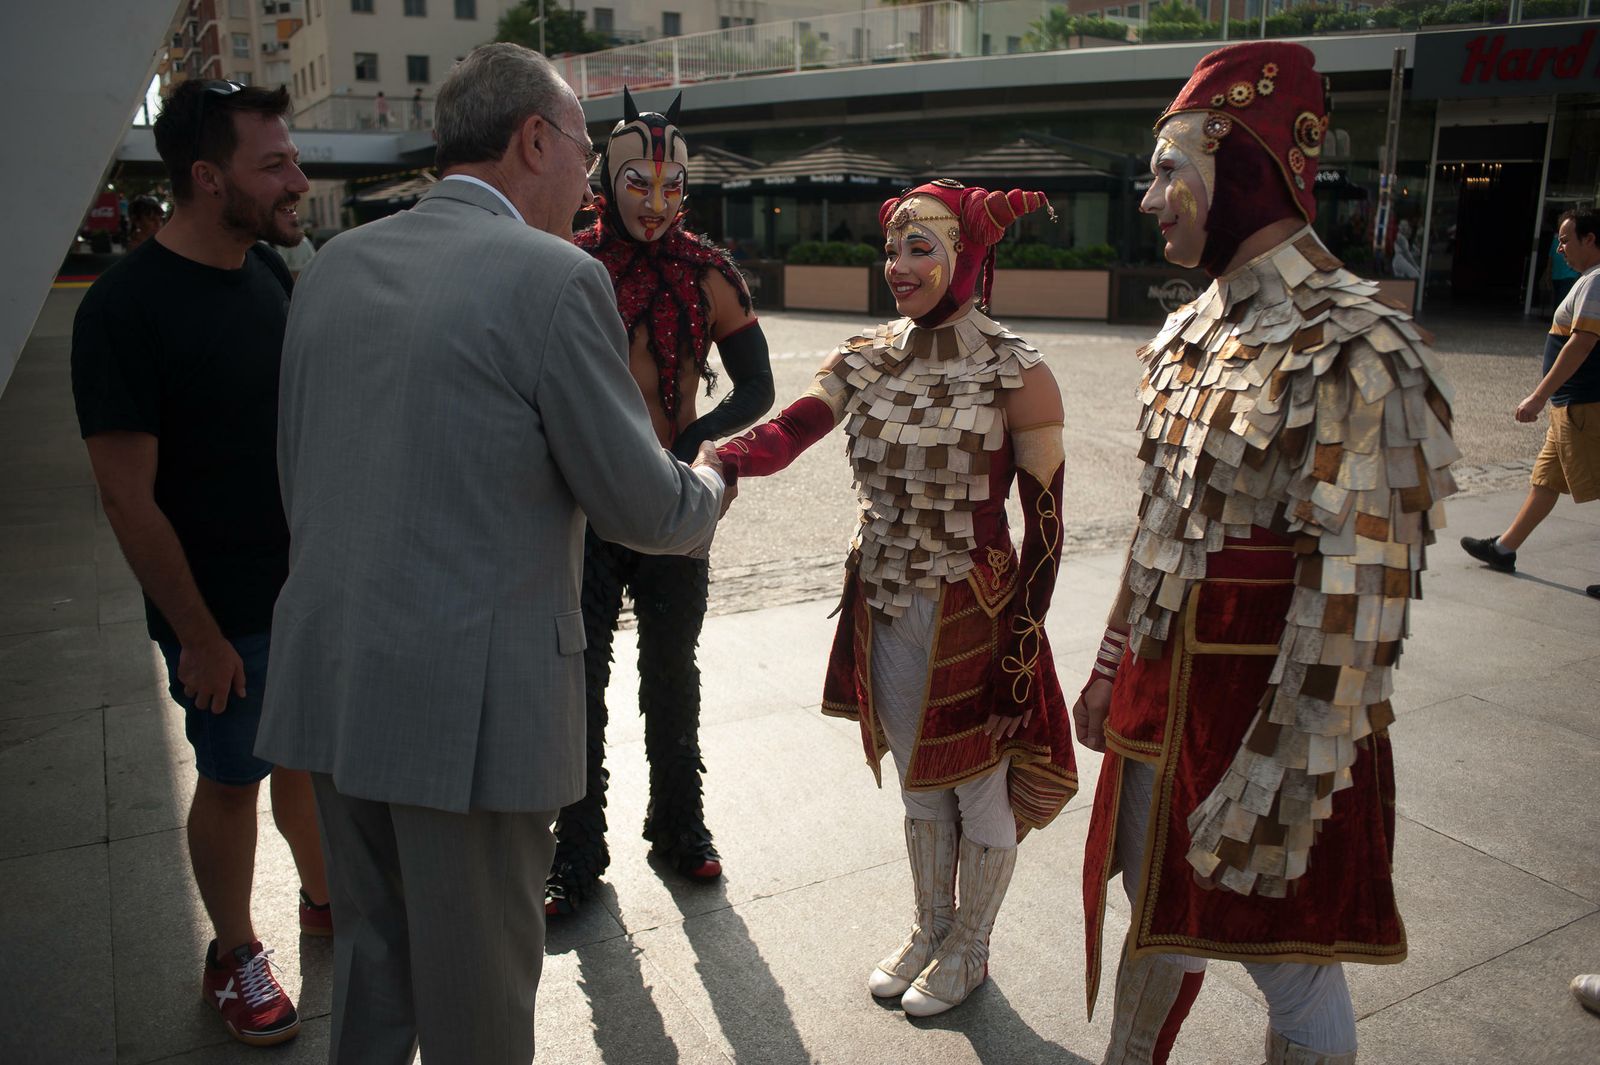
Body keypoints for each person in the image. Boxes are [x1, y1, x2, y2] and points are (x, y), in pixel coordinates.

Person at [253, 43, 730, 1064]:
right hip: (463, 720)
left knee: (375, 981)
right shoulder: (553, 277)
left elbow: (302, 478)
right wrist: (715, 481)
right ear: (534, 140)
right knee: (478, 1011)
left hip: (335, 692)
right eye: (588, 148)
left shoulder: (333, 268)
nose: (592, 175)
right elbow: (640, 505)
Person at [1073, 43, 1458, 1064]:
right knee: (1151, 906)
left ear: (1240, 161)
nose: (1150, 197)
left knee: (1289, 961)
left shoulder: (1360, 347)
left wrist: (1274, 791)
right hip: (1164, 705)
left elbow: (1355, 617)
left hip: (1270, 728)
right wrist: (1110, 670)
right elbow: (1157, 526)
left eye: (1167, 171)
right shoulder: (1186, 328)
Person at [717, 179, 1078, 1017]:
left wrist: (1018, 661)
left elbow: (1047, 530)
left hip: (973, 614)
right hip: (882, 599)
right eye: (893, 247)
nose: (900, 265)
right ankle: (933, 924)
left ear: (967, 256)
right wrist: (717, 460)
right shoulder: (867, 354)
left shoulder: (1018, 370)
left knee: (977, 784)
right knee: (917, 776)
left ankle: (972, 948)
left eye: (922, 246)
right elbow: (793, 428)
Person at [69, 79, 324, 1049]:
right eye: (275, 165)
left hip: (302, 593)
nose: (296, 179)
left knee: (304, 755)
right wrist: (200, 636)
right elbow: (127, 496)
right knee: (232, 777)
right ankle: (233, 952)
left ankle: (322, 896)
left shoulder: (266, 271)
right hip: (221, 614)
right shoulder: (124, 311)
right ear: (209, 178)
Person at [543, 88, 773, 917]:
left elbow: (758, 386)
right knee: (582, 679)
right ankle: (576, 847)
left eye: (672, 187)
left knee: (673, 671)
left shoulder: (709, 275)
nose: (656, 202)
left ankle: (679, 825)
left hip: (675, 507)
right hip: (590, 510)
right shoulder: (571, 264)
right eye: (638, 183)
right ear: (607, 177)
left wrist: (697, 439)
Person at [1460, 206, 1600, 600]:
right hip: (1572, 405)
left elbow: (1582, 343)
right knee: (1545, 482)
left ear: (1590, 239)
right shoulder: (1590, 279)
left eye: (1565, 239)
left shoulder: (1598, 281)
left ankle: (1504, 548)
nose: (1560, 248)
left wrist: (1538, 397)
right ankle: (1504, 549)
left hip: (1584, 405)